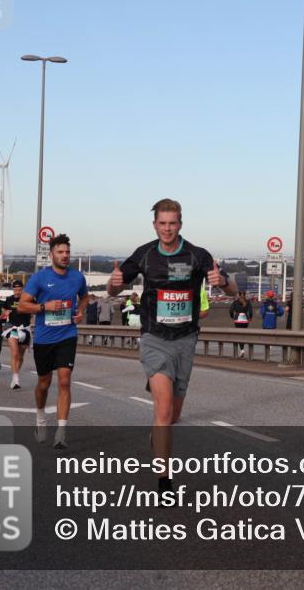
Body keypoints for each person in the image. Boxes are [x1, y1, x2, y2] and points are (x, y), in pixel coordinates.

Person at [107, 198, 235, 497]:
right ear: (155, 225)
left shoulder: (197, 255)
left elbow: (232, 290)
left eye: (172, 223)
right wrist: (114, 283)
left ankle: (159, 425)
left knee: (172, 416)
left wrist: (222, 281)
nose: (167, 229)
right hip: (154, 338)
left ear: (180, 224)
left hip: (185, 340)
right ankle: (164, 483)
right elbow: (115, 287)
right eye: (162, 223)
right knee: (163, 410)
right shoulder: (145, 254)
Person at [18, 234, 90, 449]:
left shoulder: (77, 277)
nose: (65, 255)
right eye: (60, 252)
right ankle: (40, 419)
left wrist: (80, 311)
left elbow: (85, 297)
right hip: (44, 338)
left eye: (67, 252)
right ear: (51, 255)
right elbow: (22, 305)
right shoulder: (39, 278)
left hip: (67, 335)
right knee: (44, 383)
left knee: (65, 380)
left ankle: (61, 432)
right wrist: (44, 307)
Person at [2, 281, 32, 390]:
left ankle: (15, 374)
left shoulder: (28, 299)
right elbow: (4, 309)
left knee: (20, 356)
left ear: (23, 289)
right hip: (13, 329)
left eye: (19, 290)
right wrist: (5, 312)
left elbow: (35, 309)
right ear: (13, 290)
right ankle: (15, 379)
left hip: (25, 329)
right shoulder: (9, 299)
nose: (17, 292)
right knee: (15, 353)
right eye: (15, 290)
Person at [229, 290, 253, 357]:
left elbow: (231, 310)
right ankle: (242, 348)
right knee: (243, 334)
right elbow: (250, 312)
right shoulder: (248, 302)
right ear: (245, 295)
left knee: (239, 334)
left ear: (239, 295)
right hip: (245, 320)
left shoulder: (235, 302)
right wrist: (250, 318)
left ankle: (242, 350)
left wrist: (232, 317)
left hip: (237, 320)